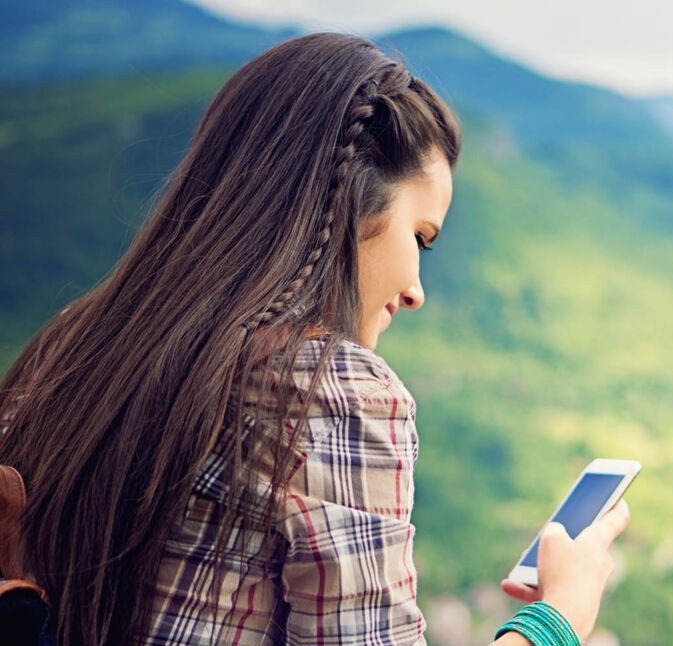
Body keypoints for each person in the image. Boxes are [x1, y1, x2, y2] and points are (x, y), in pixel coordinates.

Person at [0, 33, 630, 645]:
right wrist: (559, 617)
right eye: (421, 236)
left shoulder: (70, 346)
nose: (416, 289)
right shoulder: (334, 395)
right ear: (350, 202)